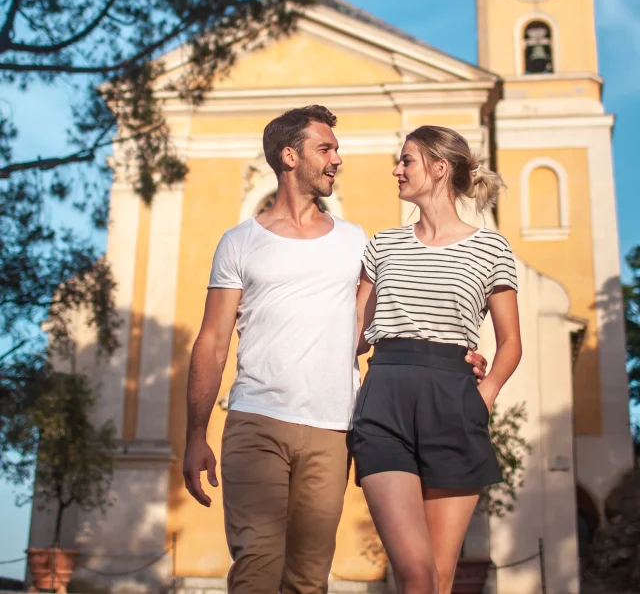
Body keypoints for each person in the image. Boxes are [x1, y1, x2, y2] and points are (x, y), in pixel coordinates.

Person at [182, 106, 488, 594]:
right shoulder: (239, 242)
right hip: (255, 420)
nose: (337, 159)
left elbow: (387, 325)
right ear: (289, 156)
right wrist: (196, 433)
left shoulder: (358, 243)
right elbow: (212, 340)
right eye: (326, 149)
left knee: (308, 581)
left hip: (334, 428)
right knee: (257, 567)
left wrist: (455, 357)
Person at [351, 125, 522, 594]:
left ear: (439, 168)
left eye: (406, 160)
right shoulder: (382, 245)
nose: (396, 169)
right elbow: (355, 334)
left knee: (441, 577)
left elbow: (510, 343)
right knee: (415, 572)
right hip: (383, 401)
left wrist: (483, 396)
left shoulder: (491, 247)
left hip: (454, 401)